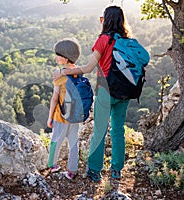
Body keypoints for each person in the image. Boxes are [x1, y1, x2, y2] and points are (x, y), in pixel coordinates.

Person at [53, 5, 131, 182]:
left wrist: (64, 72)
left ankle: (95, 170)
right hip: (124, 92)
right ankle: (116, 170)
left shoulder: (103, 40)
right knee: (118, 130)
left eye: (102, 18)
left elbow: (87, 68)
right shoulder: (127, 41)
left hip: (106, 92)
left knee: (100, 130)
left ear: (106, 20)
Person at [47, 38, 81, 180]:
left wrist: (50, 117)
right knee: (73, 142)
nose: (55, 57)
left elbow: (55, 98)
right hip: (75, 115)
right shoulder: (79, 71)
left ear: (65, 58)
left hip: (61, 115)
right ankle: (72, 170)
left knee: (56, 140)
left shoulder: (59, 73)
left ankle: (52, 165)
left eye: (58, 54)